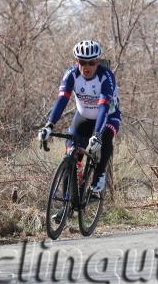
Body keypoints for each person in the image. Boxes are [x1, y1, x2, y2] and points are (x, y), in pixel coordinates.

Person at [38, 40, 121, 194]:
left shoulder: (105, 76)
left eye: (92, 62)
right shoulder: (71, 75)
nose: (87, 67)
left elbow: (103, 106)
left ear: (97, 62)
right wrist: (49, 125)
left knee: (106, 138)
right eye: (83, 62)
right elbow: (62, 100)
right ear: (77, 61)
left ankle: (99, 175)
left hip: (107, 116)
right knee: (71, 154)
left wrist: (97, 135)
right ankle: (67, 203)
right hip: (83, 116)